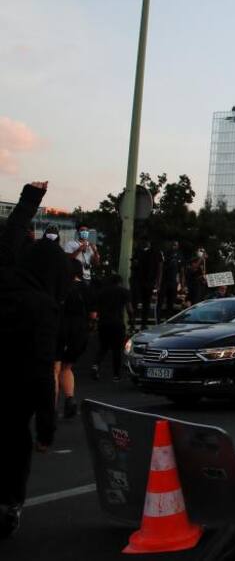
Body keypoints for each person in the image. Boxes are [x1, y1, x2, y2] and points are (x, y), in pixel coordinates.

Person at [0, 182, 62, 539]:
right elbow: (43, 373)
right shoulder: (43, 307)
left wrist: (29, 200)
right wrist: (47, 428)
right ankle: (8, 506)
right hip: (14, 401)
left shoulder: (4, 275)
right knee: (12, 449)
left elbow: (7, 242)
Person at [56, 259, 94, 419]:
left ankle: (51, 407)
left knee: (54, 369)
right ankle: (70, 399)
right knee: (67, 367)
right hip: (80, 333)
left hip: (61, 330)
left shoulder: (60, 288)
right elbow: (93, 314)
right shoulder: (86, 288)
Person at [92, 274, 133, 383]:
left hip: (103, 323)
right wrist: (131, 321)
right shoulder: (124, 292)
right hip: (117, 323)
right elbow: (129, 309)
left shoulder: (102, 292)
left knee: (103, 347)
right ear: (120, 282)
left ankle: (96, 364)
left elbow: (96, 309)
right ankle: (116, 375)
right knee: (117, 349)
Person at [132, 238, 163, 327]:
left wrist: (158, 283)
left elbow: (159, 268)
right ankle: (140, 323)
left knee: (144, 303)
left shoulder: (155, 253)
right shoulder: (139, 252)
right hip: (142, 280)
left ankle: (142, 323)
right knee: (141, 302)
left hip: (147, 280)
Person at [159, 241, 183, 317]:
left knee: (171, 302)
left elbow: (181, 270)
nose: (174, 246)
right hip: (164, 281)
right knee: (161, 300)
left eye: (176, 245)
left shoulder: (180, 255)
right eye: (173, 245)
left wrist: (181, 283)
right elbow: (161, 267)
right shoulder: (166, 254)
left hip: (173, 282)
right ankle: (159, 318)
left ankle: (168, 317)